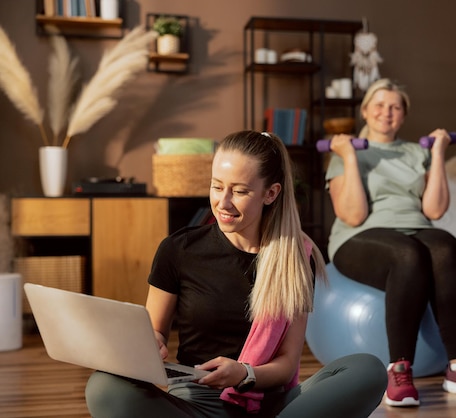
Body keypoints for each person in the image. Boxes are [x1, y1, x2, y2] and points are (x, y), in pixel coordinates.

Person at [85, 130, 387, 418]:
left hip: (272, 404)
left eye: (240, 191)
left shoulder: (295, 259)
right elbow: (154, 332)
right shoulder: (179, 249)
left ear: (270, 193)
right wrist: (150, 342)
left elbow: (286, 364)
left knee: (367, 369)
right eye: (217, 186)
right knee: (104, 386)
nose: (223, 202)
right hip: (197, 402)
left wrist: (245, 373)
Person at [325, 79, 456, 407]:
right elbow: (352, 215)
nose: (387, 112)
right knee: (408, 255)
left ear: (404, 115)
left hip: (415, 227)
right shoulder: (345, 150)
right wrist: (350, 156)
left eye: (395, 107)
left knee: (447, 245)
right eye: (379, 105)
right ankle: (398, 370)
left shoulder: (415, 152)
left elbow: (434, 209)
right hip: (360, 236)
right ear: (365, 110)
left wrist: (437, 154)